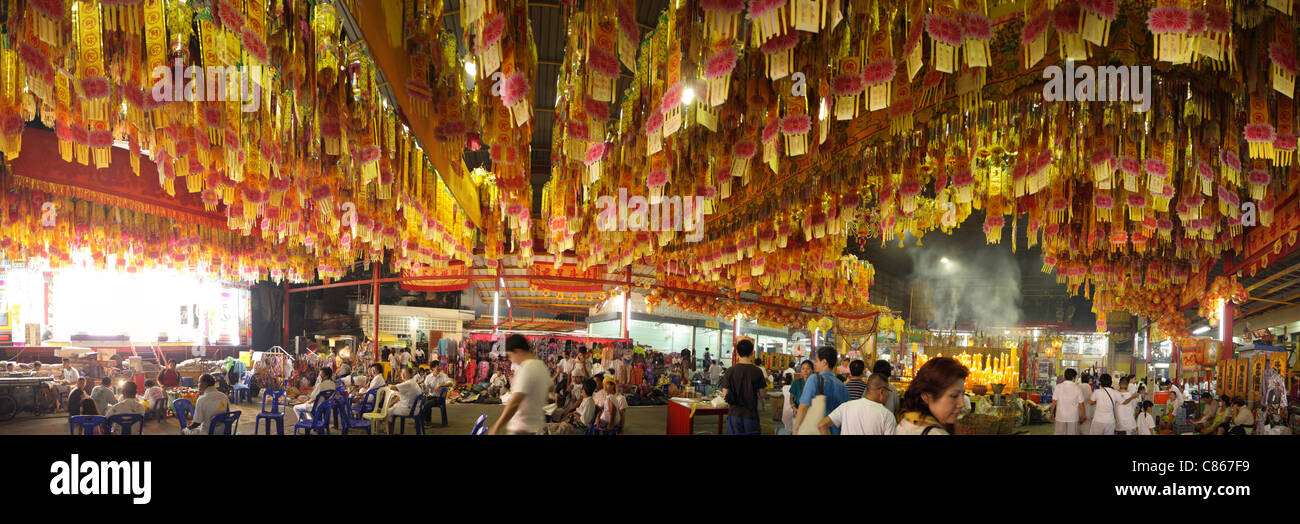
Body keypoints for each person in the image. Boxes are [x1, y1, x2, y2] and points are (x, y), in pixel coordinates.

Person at [489, 334, 550, 435]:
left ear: (518, 351)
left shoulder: (526, 368)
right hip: (537, 426)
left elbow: (515, 403)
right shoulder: (541, 366)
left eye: (510, 355)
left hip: (523, 428)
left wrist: (497, 426)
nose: (511, 360)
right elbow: (550, 388)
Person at [896, 357, 969, 435]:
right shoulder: (935, 433)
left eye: (963, 395)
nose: (961, 404)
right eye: (954, 396)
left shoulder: (905, 423)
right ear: (926, 397)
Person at [793, 346, 850, 434]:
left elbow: (803, 406)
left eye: (817, 360)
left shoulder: (814, 379)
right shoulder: (842, 386)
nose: (815, 363)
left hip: (818, 430)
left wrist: (796, 429)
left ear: (824, 362)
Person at [819, 373, 897, 435]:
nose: (889, 395)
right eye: (889, 391)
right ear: (882, 391)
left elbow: (822, 425)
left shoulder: (846, 406)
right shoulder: (887, 416)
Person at [719, 339, 768, 435]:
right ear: (751, 352)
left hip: (734, 414)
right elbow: (762, 394)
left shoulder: (730, 371)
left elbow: (725, 394)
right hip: (751, 415)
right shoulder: (757, 371)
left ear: (737, 352)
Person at [1050, 369, 1085, 435]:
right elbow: (1081, 404)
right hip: (1073, 417)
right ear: (1074, 378)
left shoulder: (1058, 387)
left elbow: (1054, 401)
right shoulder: (1077, 388)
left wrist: (1051, 413)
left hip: (1060, 416)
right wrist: (1083, 415)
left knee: (1059, 433)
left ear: (1065, 377)